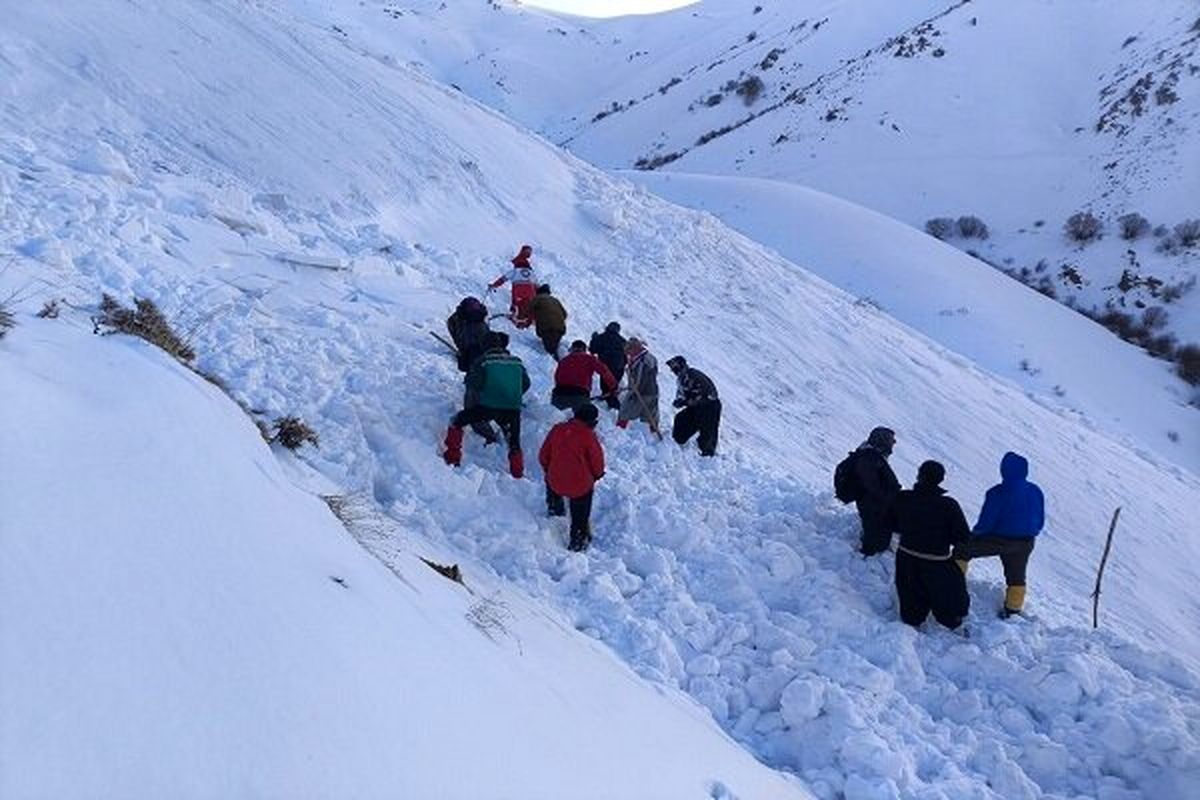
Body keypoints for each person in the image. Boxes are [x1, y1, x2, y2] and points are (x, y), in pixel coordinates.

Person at [953, 452, 1045, 617]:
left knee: (962, 550)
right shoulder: (1035, 490)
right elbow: (1040, 519)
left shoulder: (997, 493)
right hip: (1027, 541)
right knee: (1016, 575)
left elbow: (986, 522)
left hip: (999, 539)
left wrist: (974, 535)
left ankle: (953, 586)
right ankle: (1013, 609)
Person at [883, 460, 971, 630]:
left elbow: (890, 522)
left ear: (919, 475)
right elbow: (962, 536)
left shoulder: (903, 498)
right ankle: (950, 619)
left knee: (910, 598)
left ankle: (913, 618)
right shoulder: (949, 505)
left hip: (906, 556)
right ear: (941, 479)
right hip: (937, 560)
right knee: (948, 595)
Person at [443, 332, 531, 478]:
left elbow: (473, 383)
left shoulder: (483, 361)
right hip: (512, 410)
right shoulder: (517, 362)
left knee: (456, 421)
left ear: (485, 346)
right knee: (514, 442)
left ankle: (452, 457)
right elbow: (526, 384)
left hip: (488, 407)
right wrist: (511, 393)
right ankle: (517, 474)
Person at [539, 402, 605, 552]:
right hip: (579, 486)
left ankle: (554, 510)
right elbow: (598, 464)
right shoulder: (589, 436)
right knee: (581, 505)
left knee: (551, 481)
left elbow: (543, 456)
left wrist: (550, 470)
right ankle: (578, 538)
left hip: (555, 481)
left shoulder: (557, 429)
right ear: (592, 422)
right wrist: (596, 476)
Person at [446, 297, 498, 443]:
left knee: (472, 405)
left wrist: (463, 358)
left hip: (477, 369)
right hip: (488, 366)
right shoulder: (481, 324)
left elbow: (468, 350)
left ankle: (488, 435)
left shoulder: (466, 325)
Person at [853, 426, 902, 556]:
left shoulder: (872, 456)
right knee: (877, 545)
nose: (893, 443)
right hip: (874, 508)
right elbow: (874, 489)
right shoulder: (870, 458)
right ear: (883, 441)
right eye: (891, 440)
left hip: (875, 506)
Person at [665, 356, 720, 456]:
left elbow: (701, 396)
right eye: (672, 369)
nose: (673, 371)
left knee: (707, 430)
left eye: (675, 368)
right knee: (680, 419)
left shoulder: (692, 376)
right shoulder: (683, 378)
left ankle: (707, 455)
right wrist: (680, 401)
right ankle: (678, 440)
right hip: (697, 406)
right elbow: (683, 394)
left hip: (709, 406)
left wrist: (685, 402)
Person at [551, 340, 617, 412]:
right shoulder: (590, 359)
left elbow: (557, 378)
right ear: (584, 350)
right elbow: (604, 371)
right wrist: (613, 386)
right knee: (582, 420)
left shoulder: (563, 361)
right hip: (579, 395)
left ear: (572, 349)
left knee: (556, 419)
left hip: (559, 395)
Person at [488, 244, 537, 328]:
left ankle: (517, 319)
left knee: (517, 304)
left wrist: (493, 285)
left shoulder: (515, 271)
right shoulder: (531, 272)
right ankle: (529, 320)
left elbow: (503, 279)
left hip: (518, 290)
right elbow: (536, 284)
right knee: (528, 305)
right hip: (530, 290)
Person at [618, 338, 659, 433]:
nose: (628, 354)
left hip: (642, 392)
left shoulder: (643, 361)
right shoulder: (647, 357)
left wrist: (634, 391)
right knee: (650, 415)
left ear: (635, 349)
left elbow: (640, 379)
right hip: (652, 390)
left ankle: (619, 431)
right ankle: (653, 433)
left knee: (625, 411)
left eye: (629, 351)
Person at [589, 322, 627, 406]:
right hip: (619, 367)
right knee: (613, 385)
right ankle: (612, 398)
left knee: (606, 385)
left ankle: (609, 400)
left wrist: (594, 339)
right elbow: (627, 356)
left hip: (606, 366)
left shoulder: (601, 337)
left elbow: (592, 350)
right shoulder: (622, 340)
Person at [526, 284, 567, 359]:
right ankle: (560, 359)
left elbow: (528, 310)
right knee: (554, 345)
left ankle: (554, 363)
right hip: (560, 328)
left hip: (547, 328)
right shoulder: (555, 300)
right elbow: (565, 314)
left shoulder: (537, 298)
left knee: (549, 350)